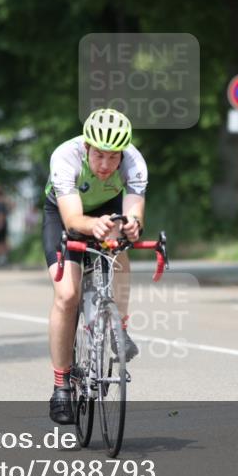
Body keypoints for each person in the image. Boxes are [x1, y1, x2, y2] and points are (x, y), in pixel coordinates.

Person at [42, 108, 147, 425]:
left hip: (108, 208)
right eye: (99, 156)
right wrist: (92, 226)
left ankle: (120, 328)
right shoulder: (66, 156)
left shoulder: (135, 162)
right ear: (86, 147)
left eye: (113, 158)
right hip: (65, 213)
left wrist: (132, 226)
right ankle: (61, 384)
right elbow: (73, 219)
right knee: (67, 295)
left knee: (120, 248)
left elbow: (134, 213)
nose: (105, 165)